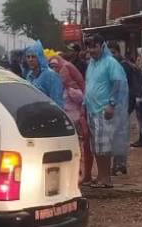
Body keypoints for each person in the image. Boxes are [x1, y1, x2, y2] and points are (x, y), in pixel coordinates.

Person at [83, 36, 128, 188]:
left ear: (102, 46)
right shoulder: (92, 64)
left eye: (94, 47)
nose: (91, 50)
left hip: (104, 110)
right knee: (95, 146)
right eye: (89, 47)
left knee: (104, 147)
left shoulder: (111, 63)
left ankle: (106, 178)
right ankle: (101, 176)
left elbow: (118, 84)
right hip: (92, 110)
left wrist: (112, 104)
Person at [50, 54, 93, 184]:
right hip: (63, 121)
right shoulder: (55, 86)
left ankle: (79, 173)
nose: (55, 70)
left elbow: (80, 99)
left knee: (77, 149)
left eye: (56, 67)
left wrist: (70, 88)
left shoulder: (71, 88)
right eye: (51, 67)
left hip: (74, 121)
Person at [108, 42, 134, 175]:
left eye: (114, 52)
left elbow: (132, 87)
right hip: (111, 108)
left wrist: (130, 105)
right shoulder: (107, 67)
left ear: (119, 52)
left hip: (123, 107)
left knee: (121, 135)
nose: (112, 55)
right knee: (112, 136)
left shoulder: (125, 66)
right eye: (109, 52)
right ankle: (114, 164)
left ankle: (120, 164)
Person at [22, 41, 64, 108]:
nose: (30, 60)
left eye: (33, 57)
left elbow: (57, 101)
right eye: (28, 57)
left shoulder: (51, 76)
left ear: (39, 57)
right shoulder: (29, 76)